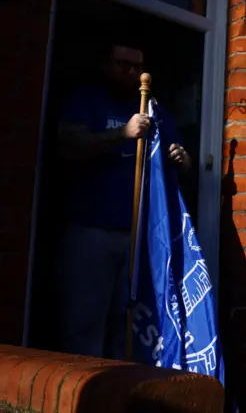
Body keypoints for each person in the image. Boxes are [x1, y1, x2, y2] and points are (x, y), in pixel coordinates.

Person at [55, 38, 191, 360]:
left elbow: (185, 164)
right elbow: (68, 148)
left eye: (137, 66)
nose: (131, 72)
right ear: (106, 65)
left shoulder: (151, 109)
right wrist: (121, 134)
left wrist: (180, 157)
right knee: (84, 324)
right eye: (123, 64)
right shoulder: (86, 101)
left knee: (127, 327)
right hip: (91, 231)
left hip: (138, 237)